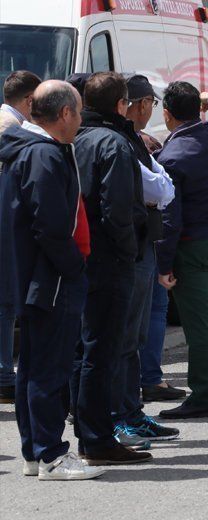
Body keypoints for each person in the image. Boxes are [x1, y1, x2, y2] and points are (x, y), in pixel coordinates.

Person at [0, 80, 105, 480]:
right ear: (63, 114)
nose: (80, 120)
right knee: (48, 369)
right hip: (51, 277)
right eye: (77, 112)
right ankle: (51, 456)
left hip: (37, 275)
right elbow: (50, 224)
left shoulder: (27, 148)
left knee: (34, 366)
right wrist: (73, 268)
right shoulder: (43, 153)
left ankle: (36, 453)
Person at [72, 71, 152, 466]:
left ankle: (88, 433)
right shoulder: (113, 143)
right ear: (121, 104)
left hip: (80, 259)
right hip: (108, 260)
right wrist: (127, 251)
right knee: (102, 352)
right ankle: (98, 439)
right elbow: (117, 211)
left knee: (85, 350)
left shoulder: (76, 139)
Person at [154, 82, 208, 419]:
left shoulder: (171, 155)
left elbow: (170, 216)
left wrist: (164, 262)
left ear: (167, 113)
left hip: (192, 245)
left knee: (199, 323)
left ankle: (203, 395)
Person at [109, 74, 181, 443]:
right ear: (136, 104)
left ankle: (129, 411)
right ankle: (120, 416)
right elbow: (159, 188)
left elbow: (161, 188)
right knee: (124, 338)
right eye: (148, 103)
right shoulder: (121, 141)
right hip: (130, 249)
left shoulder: (132, 140)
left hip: (138, 246)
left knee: (132, 336)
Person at [0, 70, 41, 404]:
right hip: (5, 225)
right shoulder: (12, 129)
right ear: (30, 100)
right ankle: (2, 373)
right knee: (6, 302)